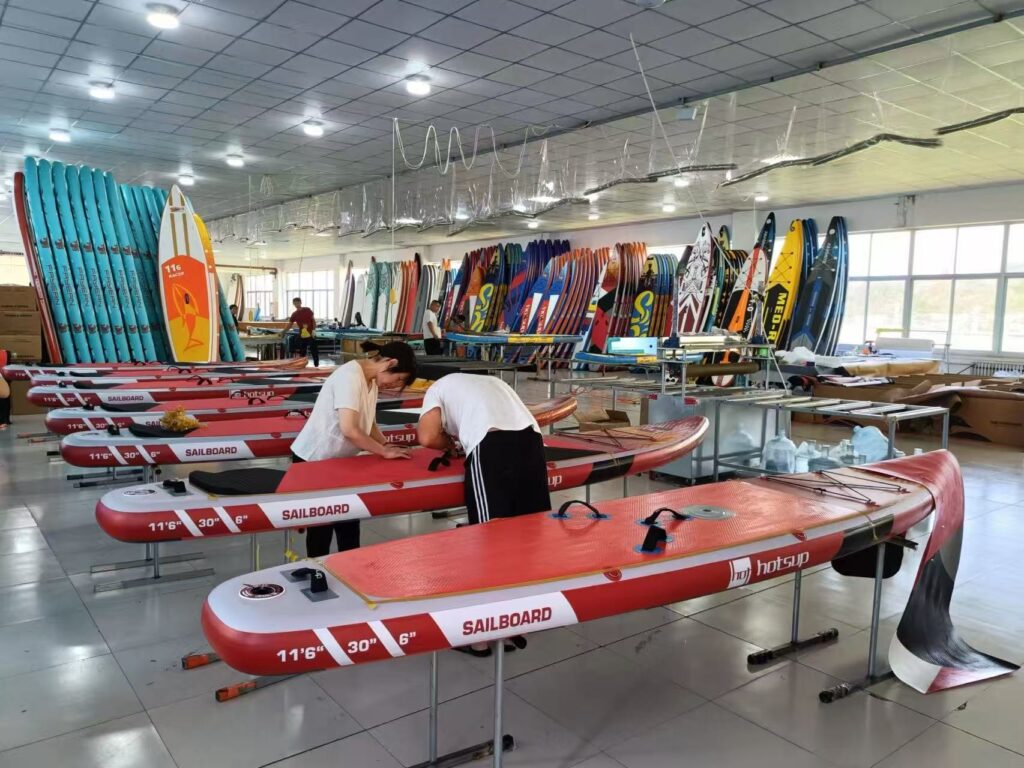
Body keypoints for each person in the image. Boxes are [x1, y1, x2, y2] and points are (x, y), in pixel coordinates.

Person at [418, 373, 549, 655]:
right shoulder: (488, 383)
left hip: (492, 448)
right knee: (526, 539)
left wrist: (448, 444)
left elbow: (427, 436)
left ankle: (480, 635)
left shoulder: (436, 388)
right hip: (532, 443)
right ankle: (519, 622)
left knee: (489, 540)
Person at [291, 341, 418, 556]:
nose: (395, 386)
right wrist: (383, 451)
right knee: (321, 528)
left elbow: (369, 423)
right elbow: (350, 429)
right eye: (398, 379)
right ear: (390, 363)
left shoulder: (371, 380)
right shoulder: (349, 376)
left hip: (340, 461)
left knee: (349, 522)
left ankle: (349, 569)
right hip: (315, 459)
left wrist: (385, 443)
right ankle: (316, 573)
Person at [288, 296, 319, 367]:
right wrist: (283, 332)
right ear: (293, 304)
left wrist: (314, 330)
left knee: (314, 349)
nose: (296, 304)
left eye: (297, 302)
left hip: (311, 333)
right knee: (302, 350)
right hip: (302, 334)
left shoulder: (307, 310)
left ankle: (316, 365)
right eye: (295, 303)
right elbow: (290, 324)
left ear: (300, 302)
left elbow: (313, 320)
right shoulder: (294, 314)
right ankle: (302, 364)